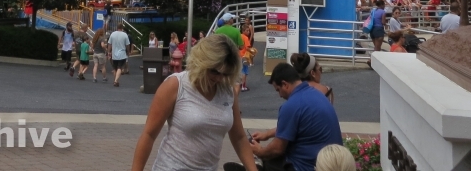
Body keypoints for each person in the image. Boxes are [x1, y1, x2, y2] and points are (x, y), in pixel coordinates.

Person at [131, 34, 258, 171]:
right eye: (214, 72)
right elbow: (149, 135)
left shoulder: (228, 92)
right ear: (202, 62)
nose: (219, 78)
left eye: (225, 74)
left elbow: (239, 138)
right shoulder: (176, 85)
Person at [249, 63, 343, 171]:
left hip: (309, 166)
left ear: (285, 84)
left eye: (278, 90)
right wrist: (266, 134)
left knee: (269, 160)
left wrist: (259, 151)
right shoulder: (316, 95)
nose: (280, 95)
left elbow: (277, 149)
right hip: (333, 162)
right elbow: (297, 124)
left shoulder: (291, 105)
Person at [108, 22, 132, 87]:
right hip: (122, 54)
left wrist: (109, 52)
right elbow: (127, 45)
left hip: (114, 54)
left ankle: (116, 80)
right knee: (120, 68)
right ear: (122, 28)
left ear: (117, 27)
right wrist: (128, 51)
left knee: (115, 68)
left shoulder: (112, 34)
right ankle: (116, 81)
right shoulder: (125, 35)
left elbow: (109, 44)